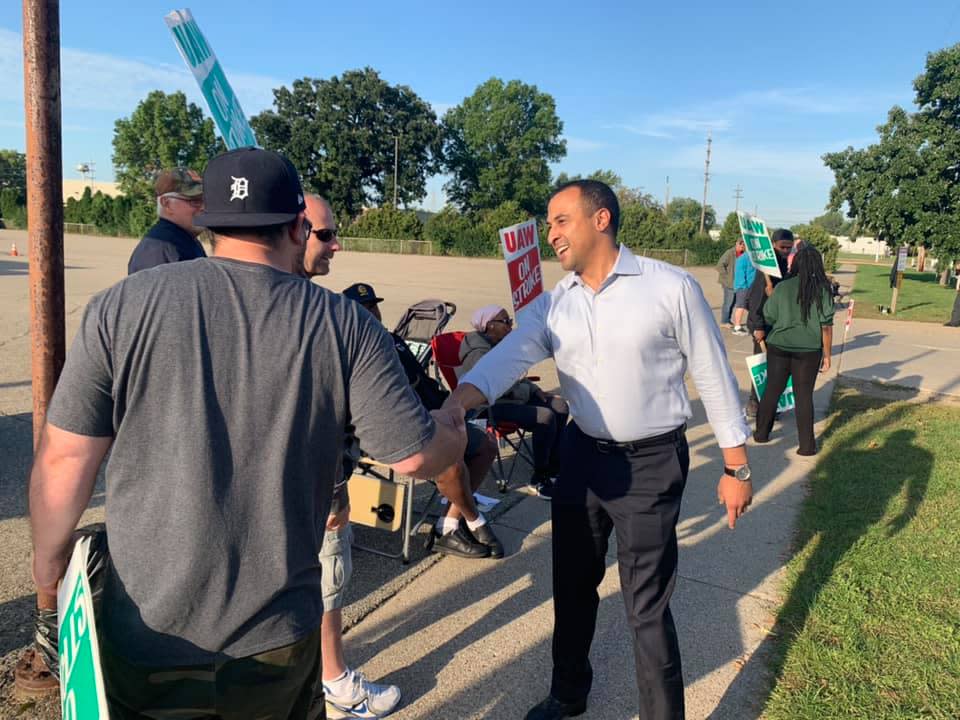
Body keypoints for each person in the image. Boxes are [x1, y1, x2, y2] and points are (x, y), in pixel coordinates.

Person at [29, 148, 467, 719]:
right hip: (275, 637)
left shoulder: (121, 307)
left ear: (208, 224)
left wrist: (49, 573)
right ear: (296, 226)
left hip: (143, 628)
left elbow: (64, 460)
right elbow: (412, 458)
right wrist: (452, 434)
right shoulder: (343, 324)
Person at [444, 180, 753, 720]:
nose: (552, 234)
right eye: (549, 224)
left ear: (601, 219)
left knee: (646, 605)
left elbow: (711, 370)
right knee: (572, 586)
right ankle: (568, 694)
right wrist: (457, 403)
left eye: (561, 220)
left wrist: (736, 465)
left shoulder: (669, 287)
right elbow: (507, 359)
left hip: (652, 463)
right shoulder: (553, 305)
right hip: (582, 457)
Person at [341, 282, 504, 561]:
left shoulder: (392, 340)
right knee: (451, 463)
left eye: (373, 306)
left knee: (486, 445)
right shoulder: (347, 350)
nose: (372, 312)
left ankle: (448, 524)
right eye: (363, 307)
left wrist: (450, 409)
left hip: (430, 415)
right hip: (390, 430)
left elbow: (424, 383)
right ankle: (474, 520)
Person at [458, 304, 570, 498]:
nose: (510, 325)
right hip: (489, 406)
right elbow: (493, 385)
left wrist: (535, 390)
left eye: (510, 321)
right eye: (505, 321)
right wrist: (523, 386)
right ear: (489, 325)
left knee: (560, 406)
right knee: (545, 417)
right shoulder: (477, 353)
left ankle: (554, 468)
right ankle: (539, 478)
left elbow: (516, 374)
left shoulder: (500, 344)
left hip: (512, 397)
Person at [754, 244, 835, 456]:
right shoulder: (824, 290)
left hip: (779, 345)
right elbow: (826, 326)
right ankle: (807, 446)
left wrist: (772, 296)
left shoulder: (783, 287)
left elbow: (770, 316)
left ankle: (761, 434)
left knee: (772, 389)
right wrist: (827, 354)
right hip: (809, 350)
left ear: (796, 263)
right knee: (804, 395)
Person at [745, 229, 796, 417]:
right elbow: (756, 299)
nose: (786, 251)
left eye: (789, 248)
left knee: (775, 367)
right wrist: (758, 326)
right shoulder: (765, 268)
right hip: (762, 324)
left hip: (777, 325)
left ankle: (771, 402)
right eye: (783, 247)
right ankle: (755, 402)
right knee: (761, 366)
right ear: (773, 244)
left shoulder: (783, 265)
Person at [127, 168, 207, 274]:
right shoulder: (159, 250)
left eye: (205, 200)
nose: (203, 207)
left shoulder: (183, 241)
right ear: (167, 204)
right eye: (195, 201)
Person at [715, 238, 744, 327]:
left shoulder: (744, 254)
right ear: (736, 243)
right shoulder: (730, 253)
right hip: (729, 283)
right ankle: (724, 322)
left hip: (737, 283)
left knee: (733, 303)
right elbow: (719, 266)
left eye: (743, 244)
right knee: (728, 302)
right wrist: (727, 277)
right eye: (740, 244)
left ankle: (727, 320)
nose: (742, 246)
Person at [731, 247, 756, 335]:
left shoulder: (752, 257)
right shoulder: (743, 259)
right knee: (740, 306)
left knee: (751, 306)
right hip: (743, 287)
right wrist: (744, 287)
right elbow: (740, 274)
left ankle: (753, 324)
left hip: (749, 286)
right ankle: (737, 327)